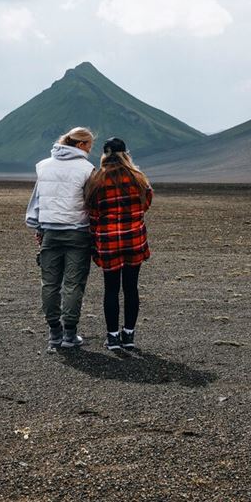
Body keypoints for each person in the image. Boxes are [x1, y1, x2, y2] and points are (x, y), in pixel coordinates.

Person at [25, 127, 96, 350]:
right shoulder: (88, 169)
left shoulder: (44, 166)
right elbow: (92, 203)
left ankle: (54, 332)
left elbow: (36, 201)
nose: (90, 150)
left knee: (50, 284)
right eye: (89, 146)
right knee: (73, 284)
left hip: (50, 233)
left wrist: (38, 228)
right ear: (81, 145)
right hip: (77, 233)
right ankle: (69, 334)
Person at [84, 137, 152, 350]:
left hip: (109, 241)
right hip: (134, 239)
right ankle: (129, 334)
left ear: (105, 154)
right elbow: (146, 204)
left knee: (111, 289)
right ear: (126, 154)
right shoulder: (138, 178)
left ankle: (113, 337)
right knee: (131, 287)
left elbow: (92, 212)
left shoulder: (96, 179)